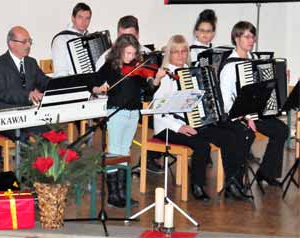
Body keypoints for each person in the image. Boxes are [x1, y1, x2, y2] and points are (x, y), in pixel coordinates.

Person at [152, 35, 252, 201]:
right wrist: (179, 127)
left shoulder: (191, 72)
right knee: (202, 145)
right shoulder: (165, 76)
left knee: (229, 137)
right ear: (169, 53)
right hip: (167, 127)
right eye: (176, 52)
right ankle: (197, 185)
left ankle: (232, 183)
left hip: (194, 122)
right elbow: (158, 110)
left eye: (184, 51)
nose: (180, 55)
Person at [91, 34, 160, 207]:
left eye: (133, 54)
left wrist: (157, 78)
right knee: (114, 151)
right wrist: (98, 89)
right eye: (127, 53)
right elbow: (93, 82)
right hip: (116, 111)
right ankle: (113, 195)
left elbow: (149, 88)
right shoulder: (110, 66)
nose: (130, 57)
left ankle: (122, 192)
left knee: (125, 151)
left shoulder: (138, 68)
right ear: (119, 51)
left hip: (133, 112)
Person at [219, 21, 289, 187]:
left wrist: (282, 79)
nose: (252, 40)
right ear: (236, 38)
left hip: (256, 113)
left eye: (253, 36)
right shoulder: (229, 66)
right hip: (236, 115)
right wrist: (243, 116)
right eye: (247, 36)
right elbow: (226, 99)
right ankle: (236, 180)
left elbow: (266, 89)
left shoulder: (255, 60)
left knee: (281, 130)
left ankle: (266, 173)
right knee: (246, 134)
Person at [0, 26, 49, 140]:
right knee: (27, 136)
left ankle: (50, 158)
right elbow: (2, 93)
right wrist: (28, 95)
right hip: (4, 117)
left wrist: (58, 85)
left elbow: (43, 81)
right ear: (11, 43)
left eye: (30, 41)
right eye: (24, 42)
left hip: (27, 115)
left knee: (51, 131)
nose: (28, 46)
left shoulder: (31, 63)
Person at [51, 2, 92, 77]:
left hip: (92, 84)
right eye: (80, 17)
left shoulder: (91, 37)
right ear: (73, 18)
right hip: (72, 84)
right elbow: (60, 73)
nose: (84, 22)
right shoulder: (61, 39)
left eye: (87, 18)